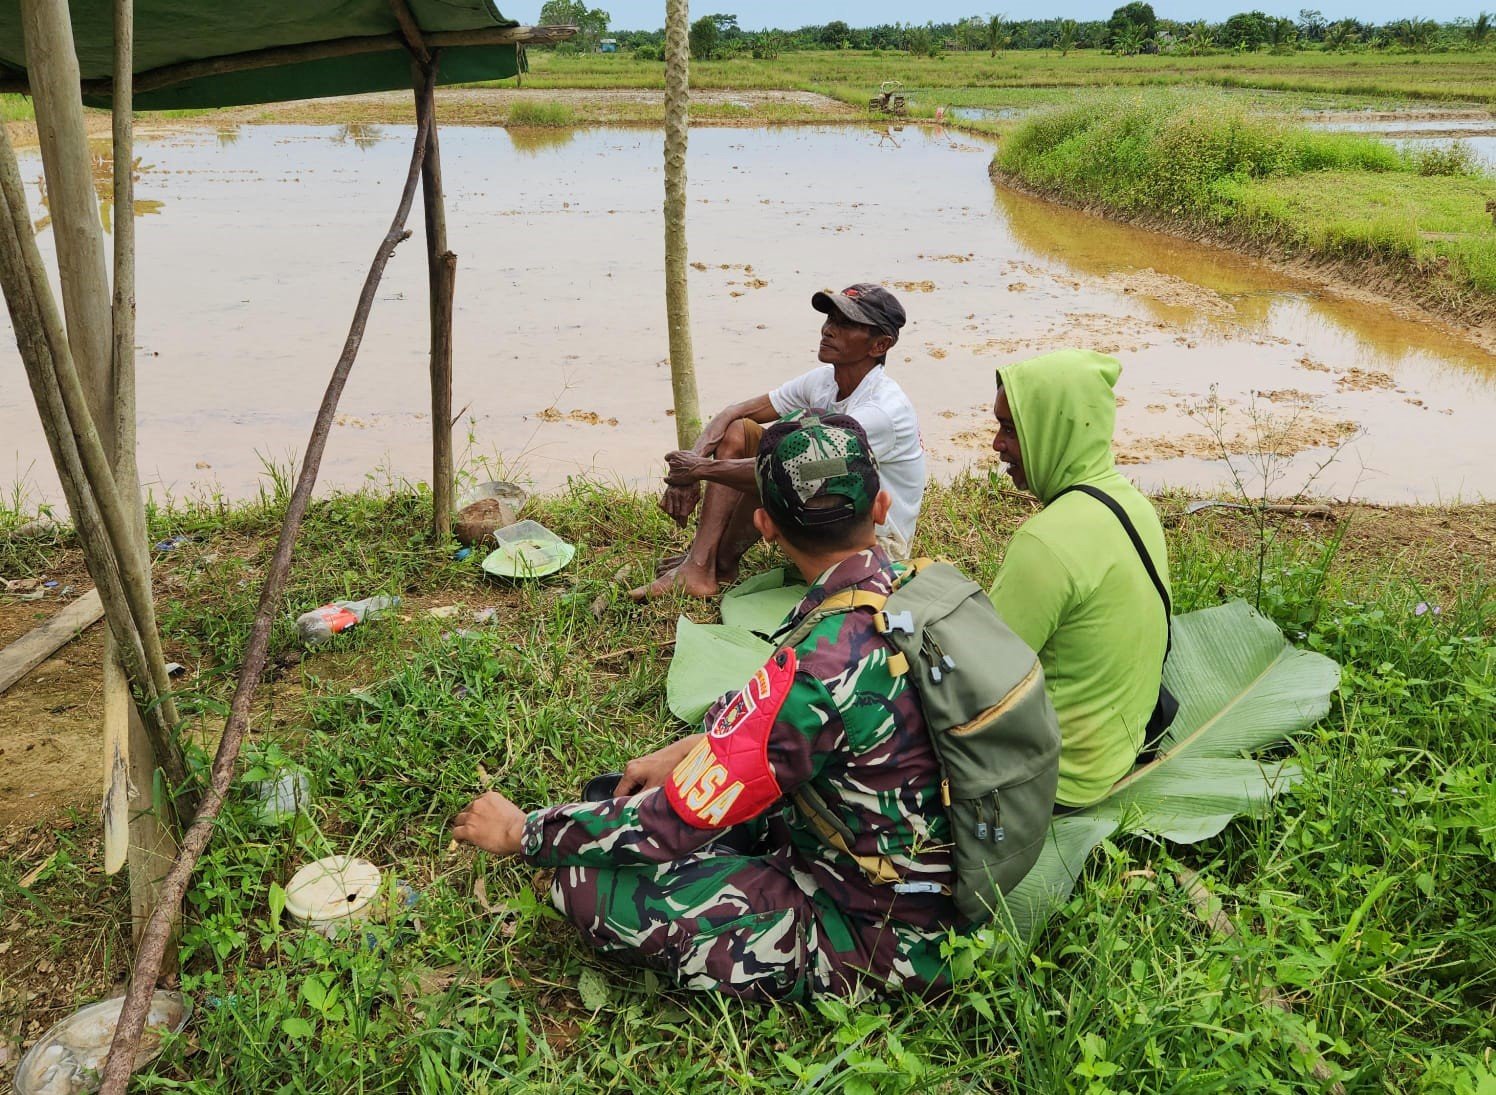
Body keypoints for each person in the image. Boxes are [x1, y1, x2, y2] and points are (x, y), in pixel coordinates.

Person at [455, 416, 958, 1001]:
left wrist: (522, 831)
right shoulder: (913, 588)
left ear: (765, 525)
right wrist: (693, 749)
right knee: (623, 799)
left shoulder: (818, 673)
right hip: (929, 876)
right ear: (880, 504)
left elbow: (666, 824)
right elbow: (786, 728)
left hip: (882, 937)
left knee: (586, 883)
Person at [629, 283, 926, 600]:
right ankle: (706, 565)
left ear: (880, 345)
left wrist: (697, 470)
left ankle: (710, 563)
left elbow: (797, 471)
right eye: (830, 319)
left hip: (871, 541)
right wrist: (688, 466)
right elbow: (735, 412)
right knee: (740, 432)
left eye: (846, 325)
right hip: (825, 516)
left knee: (781, 464)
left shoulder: (881, 410)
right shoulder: (825, 381)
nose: (828, 330)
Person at [987, 349, 1171, 810]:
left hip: (1061, 778)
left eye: (1011, 428)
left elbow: (980, 681)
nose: (996, 444)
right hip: (1118, 748)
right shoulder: (1133, 503)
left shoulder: (1045, 544)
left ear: (1053, 428)